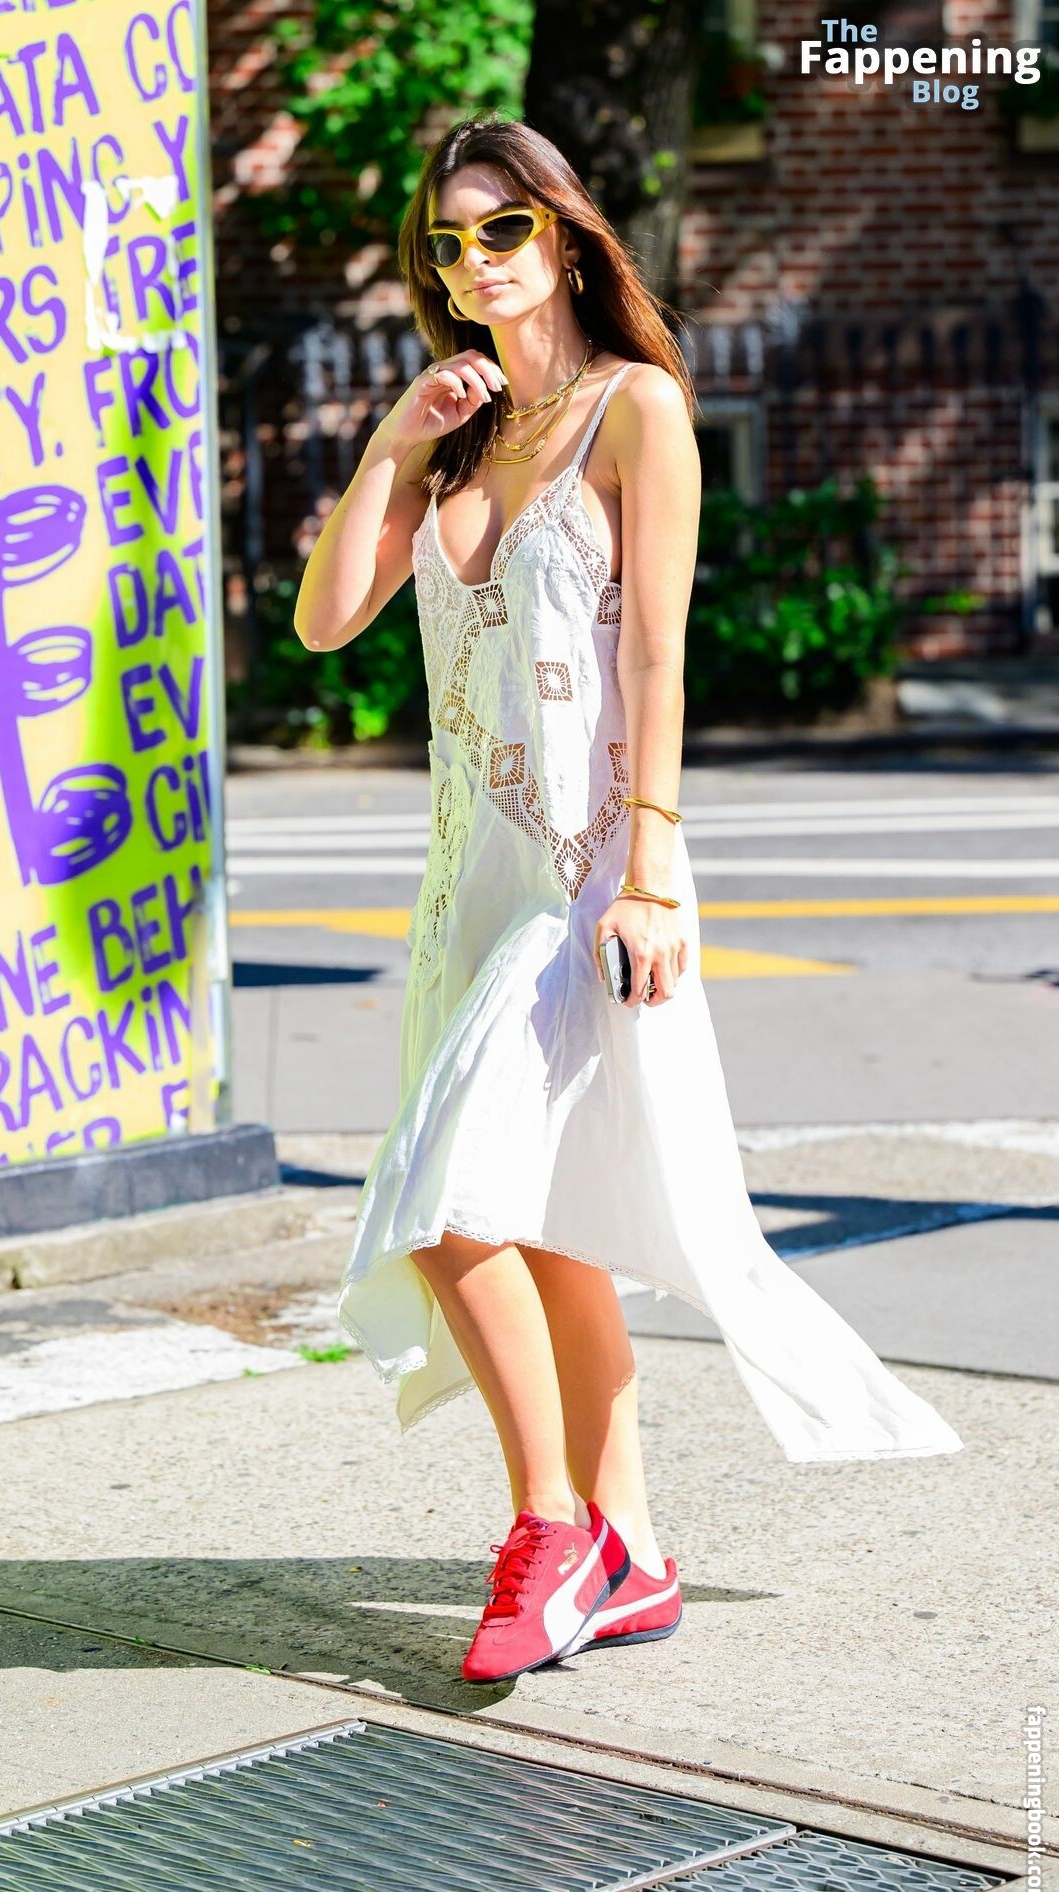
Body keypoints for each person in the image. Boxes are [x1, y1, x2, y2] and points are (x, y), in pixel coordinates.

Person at [294, 112, 963, 1686]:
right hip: (469, 890)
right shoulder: (456, 434)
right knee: (544, 1225)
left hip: (589, 875)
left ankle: (551, 1527)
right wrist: (391, 442)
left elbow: (658, 652)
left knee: (450, 1207)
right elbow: (327, 622)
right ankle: (638, 1551)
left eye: (503, 230)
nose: (475, 262)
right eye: (449, 242)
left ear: (565, 234)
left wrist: (654, 865)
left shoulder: (635, 409)